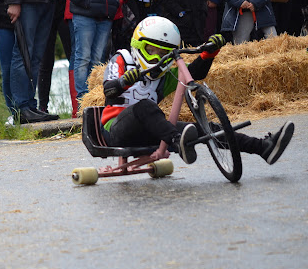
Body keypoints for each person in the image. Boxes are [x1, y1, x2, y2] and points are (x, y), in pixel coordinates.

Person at [101, 16, 294, 166]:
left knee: (205, 128)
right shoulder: (123, 59)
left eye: (164, 53)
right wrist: (124, 81)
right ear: (139, 46)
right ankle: (179, 142)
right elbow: (109, 90)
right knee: (144, 107)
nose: (158, 58)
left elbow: (193, 73)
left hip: (154, 131)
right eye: (153, 51)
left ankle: (264, 148)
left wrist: (209, 53)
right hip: (116, 131)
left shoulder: (164, 76)